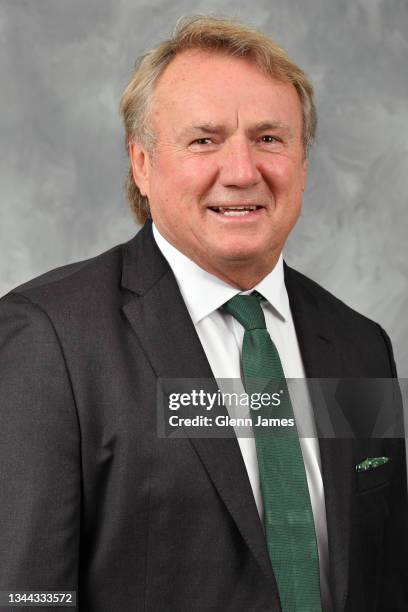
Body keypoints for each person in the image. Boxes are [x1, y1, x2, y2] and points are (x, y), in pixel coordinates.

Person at [0, 15, 407, 612]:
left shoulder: (361, 344)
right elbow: (26, 596)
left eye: (270, 138)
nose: (242, 172)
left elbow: (385, 577)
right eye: (204, 140)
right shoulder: (50, 338)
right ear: (142, 164)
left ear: (302, 160)